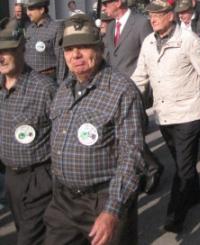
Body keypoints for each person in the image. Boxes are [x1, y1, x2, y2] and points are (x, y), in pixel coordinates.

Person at [44, 14, 144, 245]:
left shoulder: (121, 91)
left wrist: (112, 210)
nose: (75, 55)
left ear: (99, 48)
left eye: (84, 47)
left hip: (103, 201)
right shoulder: (64, 89)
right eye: (69, 49)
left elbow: (132, 156)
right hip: (63, 202)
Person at [131, 0, 200, 234]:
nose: (152, 19)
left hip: (189, 114)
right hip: (164, 116)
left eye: (158, 14)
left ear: (170, 16)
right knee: (182, 162)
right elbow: (139, 78)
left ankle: (175, 216)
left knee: (182, 168)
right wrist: (123, 101)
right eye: (150, 15)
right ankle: (194, 193)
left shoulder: (188, 40)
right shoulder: (149, 43)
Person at [101, 0, 163, 194]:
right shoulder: (110, 29)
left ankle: (151, 168)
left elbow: (151, 56)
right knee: (121, 134)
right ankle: (148, 167)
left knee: (129, 133)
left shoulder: (140, 23)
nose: (104, 7)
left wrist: (151, 90)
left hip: (135, 89)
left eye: (107, 2)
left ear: (118, 2)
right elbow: (108, 57)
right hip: (113, 89)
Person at [0, 18, 56, 245]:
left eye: (7, 51)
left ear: (22, 50)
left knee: (28, 239)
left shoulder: (44, 88)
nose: (1, 57)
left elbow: (62, 131)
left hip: (40, 177)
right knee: (25, 229)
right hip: (11, 178)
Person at [25, 0, 64, 80]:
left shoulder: (56, 27)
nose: (28, 13)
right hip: (30, 80)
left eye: (31, 9)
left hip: (49, 78)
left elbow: (61, 59)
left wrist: (61, 84)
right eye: (27, 10)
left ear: (42, 10)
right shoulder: (29, 29)